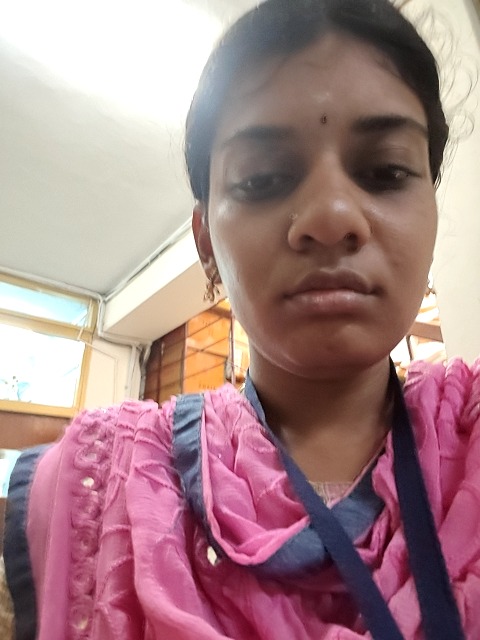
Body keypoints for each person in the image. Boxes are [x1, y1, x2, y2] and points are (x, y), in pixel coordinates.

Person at [3, 0, 479, 638]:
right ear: (205, 243)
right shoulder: (99, 482)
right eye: (263, 179)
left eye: (386, 171)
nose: (332, 215)